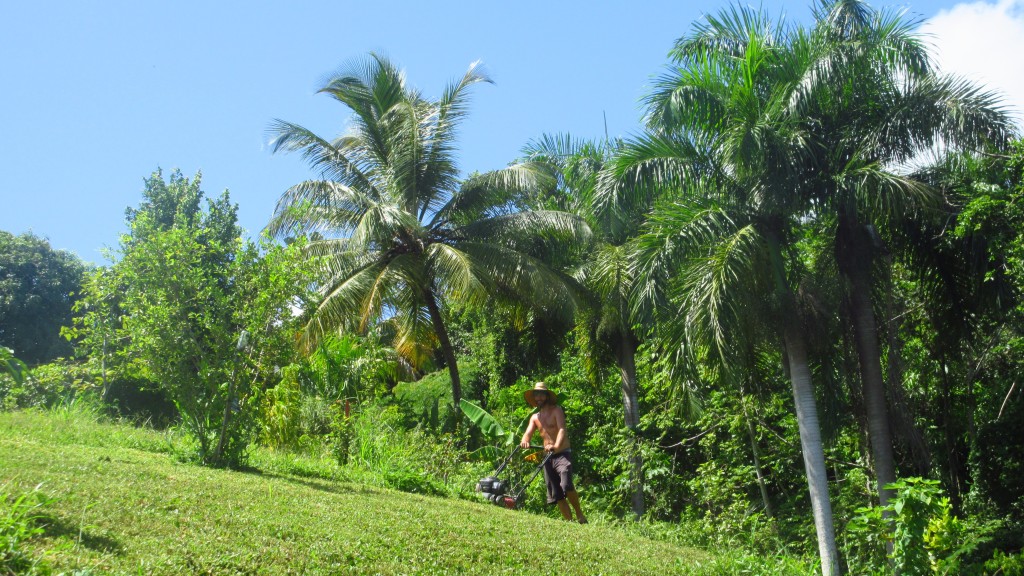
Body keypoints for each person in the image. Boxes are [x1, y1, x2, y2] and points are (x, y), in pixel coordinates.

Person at [520, 381, 587, 523]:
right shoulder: (535, 417)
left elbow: (562, 429)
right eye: (536, 395)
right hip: (547, 457)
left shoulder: (556, 410)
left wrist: (556, 446)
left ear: (547, 396)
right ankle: (570, 522)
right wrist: (525, 440)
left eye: (541, 395)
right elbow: (527, 433)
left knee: (567, 484)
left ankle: (580, 514)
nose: (539, 398)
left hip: (562, 453)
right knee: (557, 494)